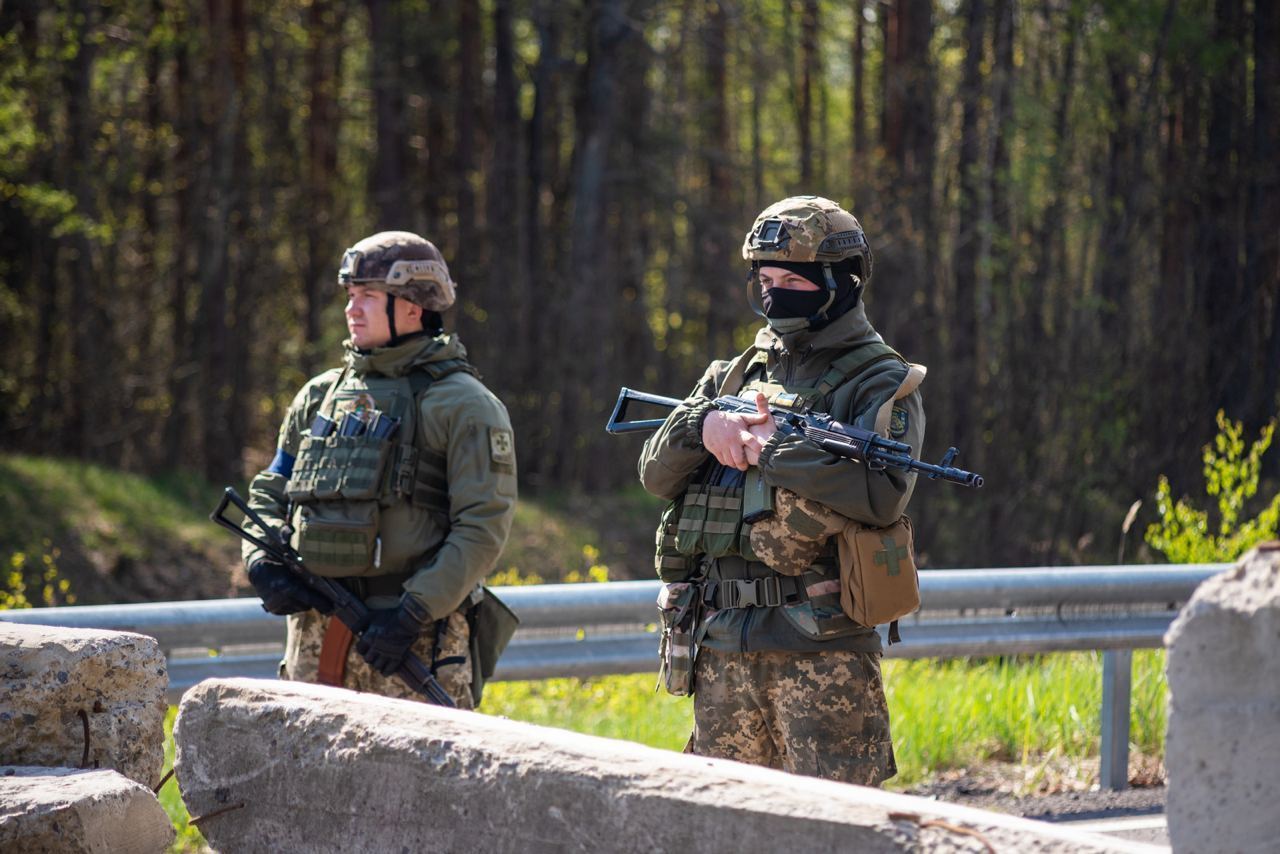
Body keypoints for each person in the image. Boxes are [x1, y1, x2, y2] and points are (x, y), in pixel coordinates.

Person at [637, 196, 925, 785]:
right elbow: (655, 476)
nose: (774, 294)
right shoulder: (735, 373)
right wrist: (703, 425)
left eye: (792, 279)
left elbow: (884, 495)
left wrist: (776, 450)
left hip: (820, 653)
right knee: (728, 829)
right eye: (765, 279)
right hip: (719, 647)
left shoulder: (880, 378)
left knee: (836, 830)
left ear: (840, 283)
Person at [242, 230, 517, 709]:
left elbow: (483, 527)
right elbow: (271, 490)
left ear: (414, 306)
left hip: (414, 643)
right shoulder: (320, 394)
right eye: (351, 295)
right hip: (315, 639)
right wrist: (260, 560)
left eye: (368, 296)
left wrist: (412, 612)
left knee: (427, 783)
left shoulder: (465, 405)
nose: (352, 309)